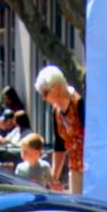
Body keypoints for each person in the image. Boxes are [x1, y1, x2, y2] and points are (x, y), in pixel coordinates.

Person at [36, 63, 82, 193]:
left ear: (56, 87)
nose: (43, 98)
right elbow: (59, 145)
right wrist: (54, 178)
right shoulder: (56, 111)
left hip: (93, 167)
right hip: (75, 167)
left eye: (45, 93)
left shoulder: (79, 103)